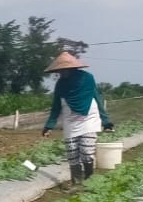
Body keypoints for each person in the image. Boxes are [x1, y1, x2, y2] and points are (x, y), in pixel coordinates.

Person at [41, 51, 114, 183]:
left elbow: (97, 97)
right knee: (72, 154)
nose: (62, 73)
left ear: (72, 68)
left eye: (64, 70)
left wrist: (106, 122)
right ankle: (76, 182)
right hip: (70, 121)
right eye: (60, 71)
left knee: (86, 152)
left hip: (88, 118)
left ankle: (89, 181)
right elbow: (56, 106)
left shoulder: (87, 78)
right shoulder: (60, 84)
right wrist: (49, 126)